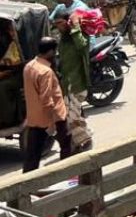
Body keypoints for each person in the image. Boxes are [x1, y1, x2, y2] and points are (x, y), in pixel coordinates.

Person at [23, 37, 72, 172]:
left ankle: (26, 184)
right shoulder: (45, 72)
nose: (56, 54)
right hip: (53, 117)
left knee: (32, 155)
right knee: (67, 144)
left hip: (34, 118)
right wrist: (52, 125)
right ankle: (67, 175)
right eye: (55, 51)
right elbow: (47, 100)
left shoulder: (29, 66)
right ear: (50, 52)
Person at [52, 11, 92, 151]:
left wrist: (75, 26)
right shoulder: (63, 40)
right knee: (69, 116)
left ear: (67, 22)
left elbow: (82, 46)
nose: (58, 27)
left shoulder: (79, 36)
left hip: (78, 84)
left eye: (60, 23)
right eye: (56, 24)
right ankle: (76, 143)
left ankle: (87, 140)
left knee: (73, 116)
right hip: (66, 85)